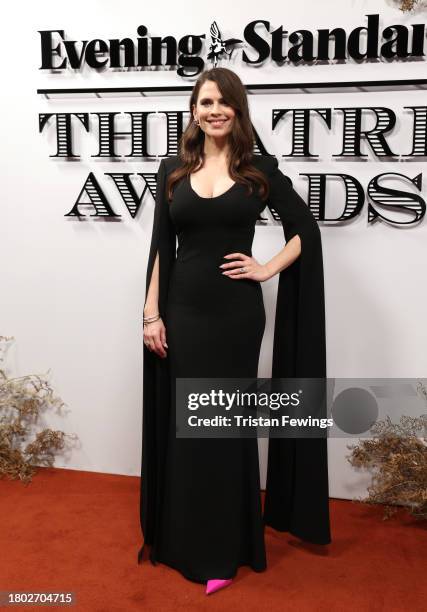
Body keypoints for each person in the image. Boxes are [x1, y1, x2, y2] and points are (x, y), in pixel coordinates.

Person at [138, 67, 331, 595]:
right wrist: (151, 314)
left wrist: (266, 268)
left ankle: (224, 549)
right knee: (186, 430)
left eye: (223, 102)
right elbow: (161, 248)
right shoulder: (172, 169)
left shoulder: (257, 168)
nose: (214, 110)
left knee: (221, 431)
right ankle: (180, 541)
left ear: (237, 109)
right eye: (205, 102)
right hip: (182, 314)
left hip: (235, 319)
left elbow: (304, 230)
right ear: (194, 110)